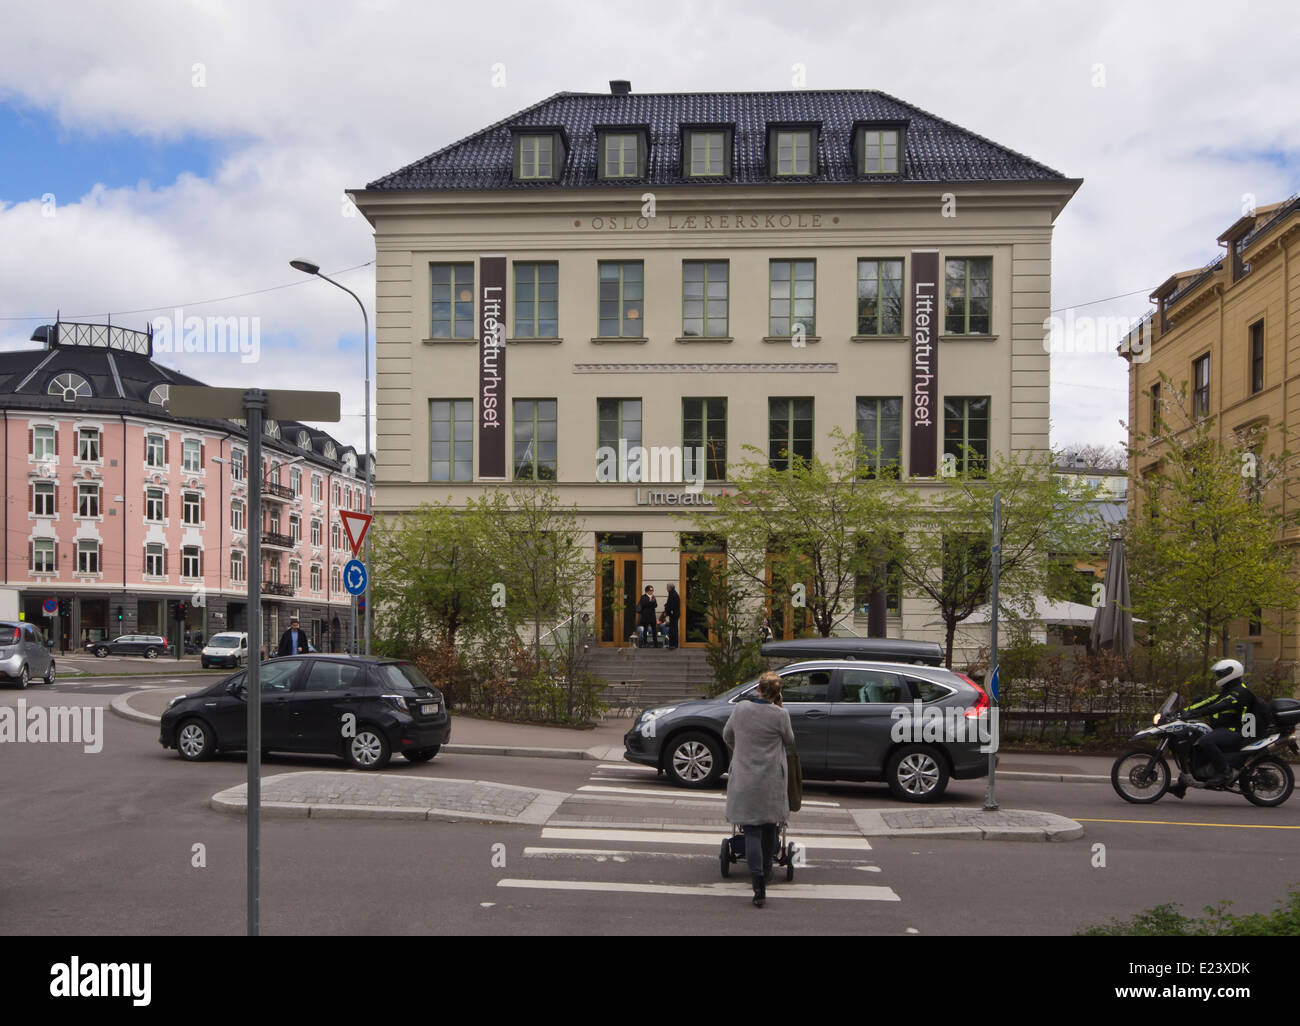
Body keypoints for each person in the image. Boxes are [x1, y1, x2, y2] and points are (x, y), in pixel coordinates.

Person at [723, 671, 794, 908]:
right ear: (777, 694)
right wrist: (779, 707)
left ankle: (758, 882)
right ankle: (767, 868)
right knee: (770, 826)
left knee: (751, 830)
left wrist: (740, 750)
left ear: (758, 690)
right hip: (770, 780)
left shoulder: (741, 709)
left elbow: (727, 735)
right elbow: (789, 740)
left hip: (744, 778)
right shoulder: (780, 715)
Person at [1171, 658, 1261, 796]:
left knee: (1206, 741)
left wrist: (1195, 713)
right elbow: (1208, 702)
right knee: (1194, 745)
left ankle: (1225, 772)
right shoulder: (1227, 691)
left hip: (1238, 731)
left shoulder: (1240, 693)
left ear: (1231, 673)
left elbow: (1219, 706)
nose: (1219, 677)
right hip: (1223, 730)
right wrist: (1183, 711)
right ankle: (1182, 784)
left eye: (1221, 674)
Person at [664, 582, 681, 649]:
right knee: (673, 629)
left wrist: (667, 610)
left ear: (670, 588)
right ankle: (672, 644)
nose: (666, 589)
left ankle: (673, 644)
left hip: (674, 615)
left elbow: (672, 606)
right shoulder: (672, 594)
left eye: (667, 587)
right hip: (674, 614)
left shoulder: (673, 595)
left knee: (673, 630)